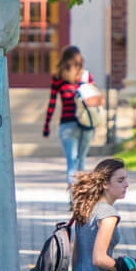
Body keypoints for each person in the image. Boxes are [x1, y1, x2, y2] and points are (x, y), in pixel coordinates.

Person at [43, 46, 100, 185]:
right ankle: (81, 201)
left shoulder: (58, 78)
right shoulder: (86, 77)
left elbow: (52, 103)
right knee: (81, 161)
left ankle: (73, 200)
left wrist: (47, 125)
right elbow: (93, 100)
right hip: (86, 124)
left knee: (71, 164)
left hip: (67, 123)